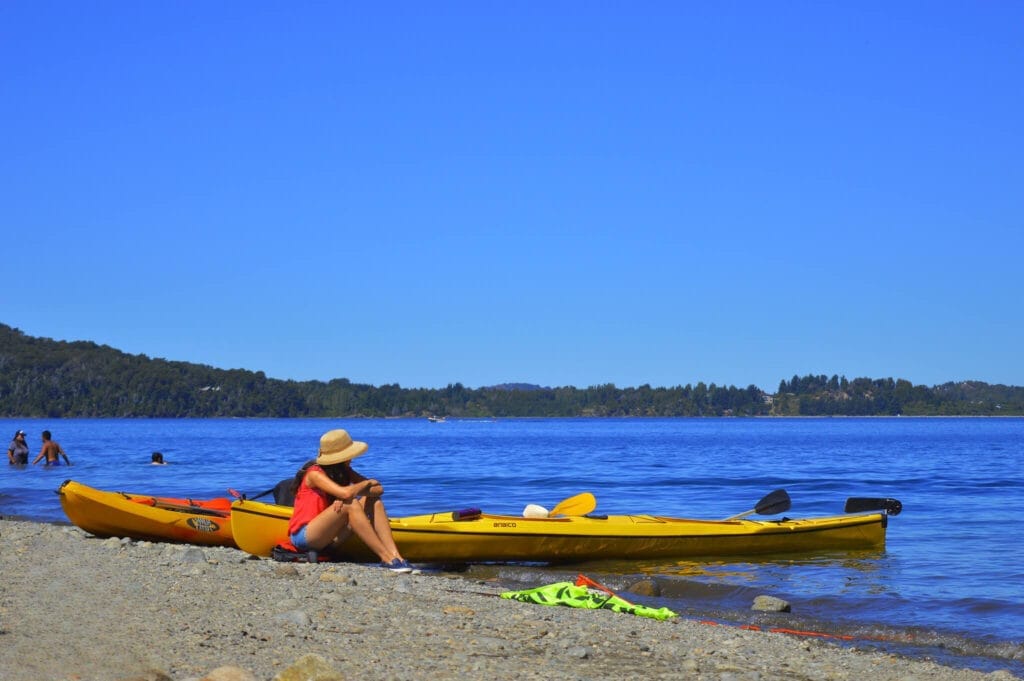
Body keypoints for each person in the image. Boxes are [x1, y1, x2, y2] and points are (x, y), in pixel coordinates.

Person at [287, 429, 412, 572]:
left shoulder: (345, 470)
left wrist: (359, 489)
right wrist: (366, 483)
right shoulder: (314, 473)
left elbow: (379, 489)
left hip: (329, 534)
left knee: (374, 500)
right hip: (304, 536)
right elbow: (347, 493)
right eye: (349, 455)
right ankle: (386, 557)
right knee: (351, 503)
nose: (351, 458)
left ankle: (397, 557)